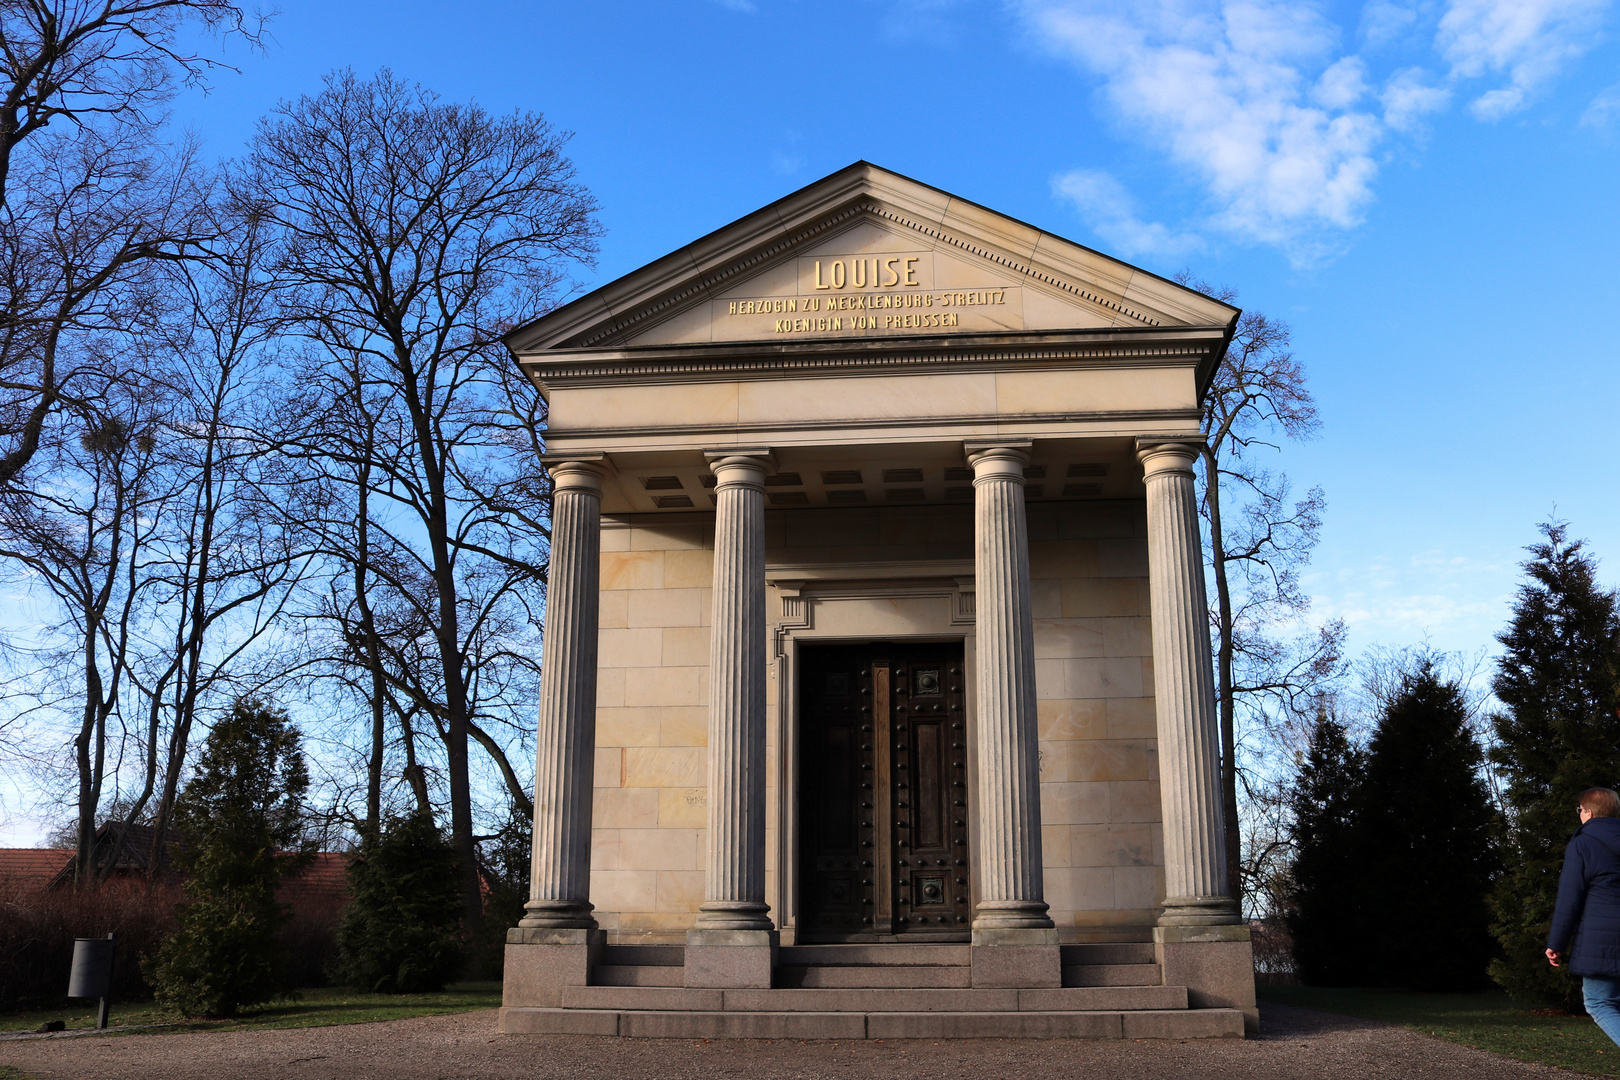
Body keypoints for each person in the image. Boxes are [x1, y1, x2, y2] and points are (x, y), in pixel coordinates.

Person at [1547, 786, 1620, 1047]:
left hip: (1603, 941)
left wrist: (1556, 943)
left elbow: (1570, 898)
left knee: (1599, 1003)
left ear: (1588, 812)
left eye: (1580, 810)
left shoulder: (1583, 844)